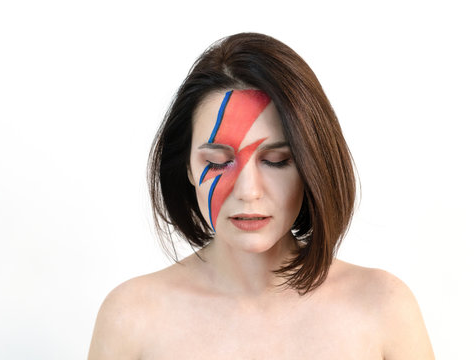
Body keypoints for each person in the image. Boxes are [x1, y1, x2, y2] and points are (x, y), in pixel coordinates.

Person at [88, 32, 434, 359]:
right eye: (218, 162)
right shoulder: (131, 318)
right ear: (189, 168)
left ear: (311, 166)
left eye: (277, 161)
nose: (248, 191)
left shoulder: (383, 308)